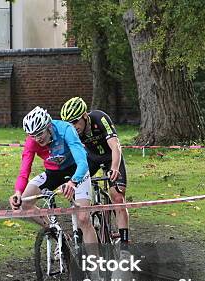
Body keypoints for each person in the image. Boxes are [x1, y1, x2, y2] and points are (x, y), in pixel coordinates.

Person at [9, 106, 98, 252]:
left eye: (40, 133)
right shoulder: (32, 141)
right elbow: (24, 171)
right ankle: (58, 234)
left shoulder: (66, 129)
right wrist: (18, 192)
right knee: (25, 203)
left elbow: (82, 162)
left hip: (76, 171)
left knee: (83, 218)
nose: (38, 138)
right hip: (53, 172)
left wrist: (73, 182)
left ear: (49, 126)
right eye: (33, 135)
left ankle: (97, 269)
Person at [60, 97, 130, 249]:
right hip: (91, 158)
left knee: (118, 196)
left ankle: (125, 244)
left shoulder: (99, 118)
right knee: (76, 190)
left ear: (85, 116)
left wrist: (115, 168)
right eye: (68, 123)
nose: (72, 126)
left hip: (111, 156)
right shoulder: (71, 132)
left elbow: (115, 146)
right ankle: (85, 225)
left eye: (75, 121)